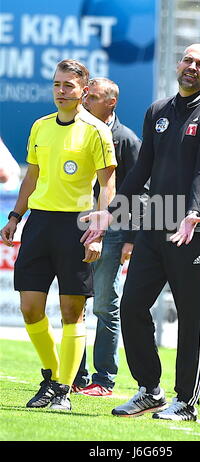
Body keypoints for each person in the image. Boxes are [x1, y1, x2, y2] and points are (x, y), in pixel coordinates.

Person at [81, 43, 200, 421]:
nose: (192, 67)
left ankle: (186, 402)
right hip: (155, 222)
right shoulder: (158, 111)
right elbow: (140, 170)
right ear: (178, 64)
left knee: (192, 317)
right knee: (131, 305)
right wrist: (110, 214)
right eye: (188, 60)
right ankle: (150, 390)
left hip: (195, 229)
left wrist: (194, 213)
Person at [0, 59, 117, 411]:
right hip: (39, 224)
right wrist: (15, 216)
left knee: (71, 310)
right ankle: (52, 377)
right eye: (57, 85)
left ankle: (63, 389)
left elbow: (107, 183)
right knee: (30, 307)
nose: (61, 92)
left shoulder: (97, 131)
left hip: (77, 227)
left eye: (68, 86)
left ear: (84, 91)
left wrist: (98, 229)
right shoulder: (40, 127)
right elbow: (31, 177)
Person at [72, 77, 147, 396]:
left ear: (111, 103)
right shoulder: (76, 131)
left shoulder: (126, 139)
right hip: (75, 225)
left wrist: (130, 237)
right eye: (84, 95)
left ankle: (104, 379)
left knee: (104, 303)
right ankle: (76, 375)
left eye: (93, 96)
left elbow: (141, 190)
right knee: (75, 300)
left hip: (114, 231)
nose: (85, 100)